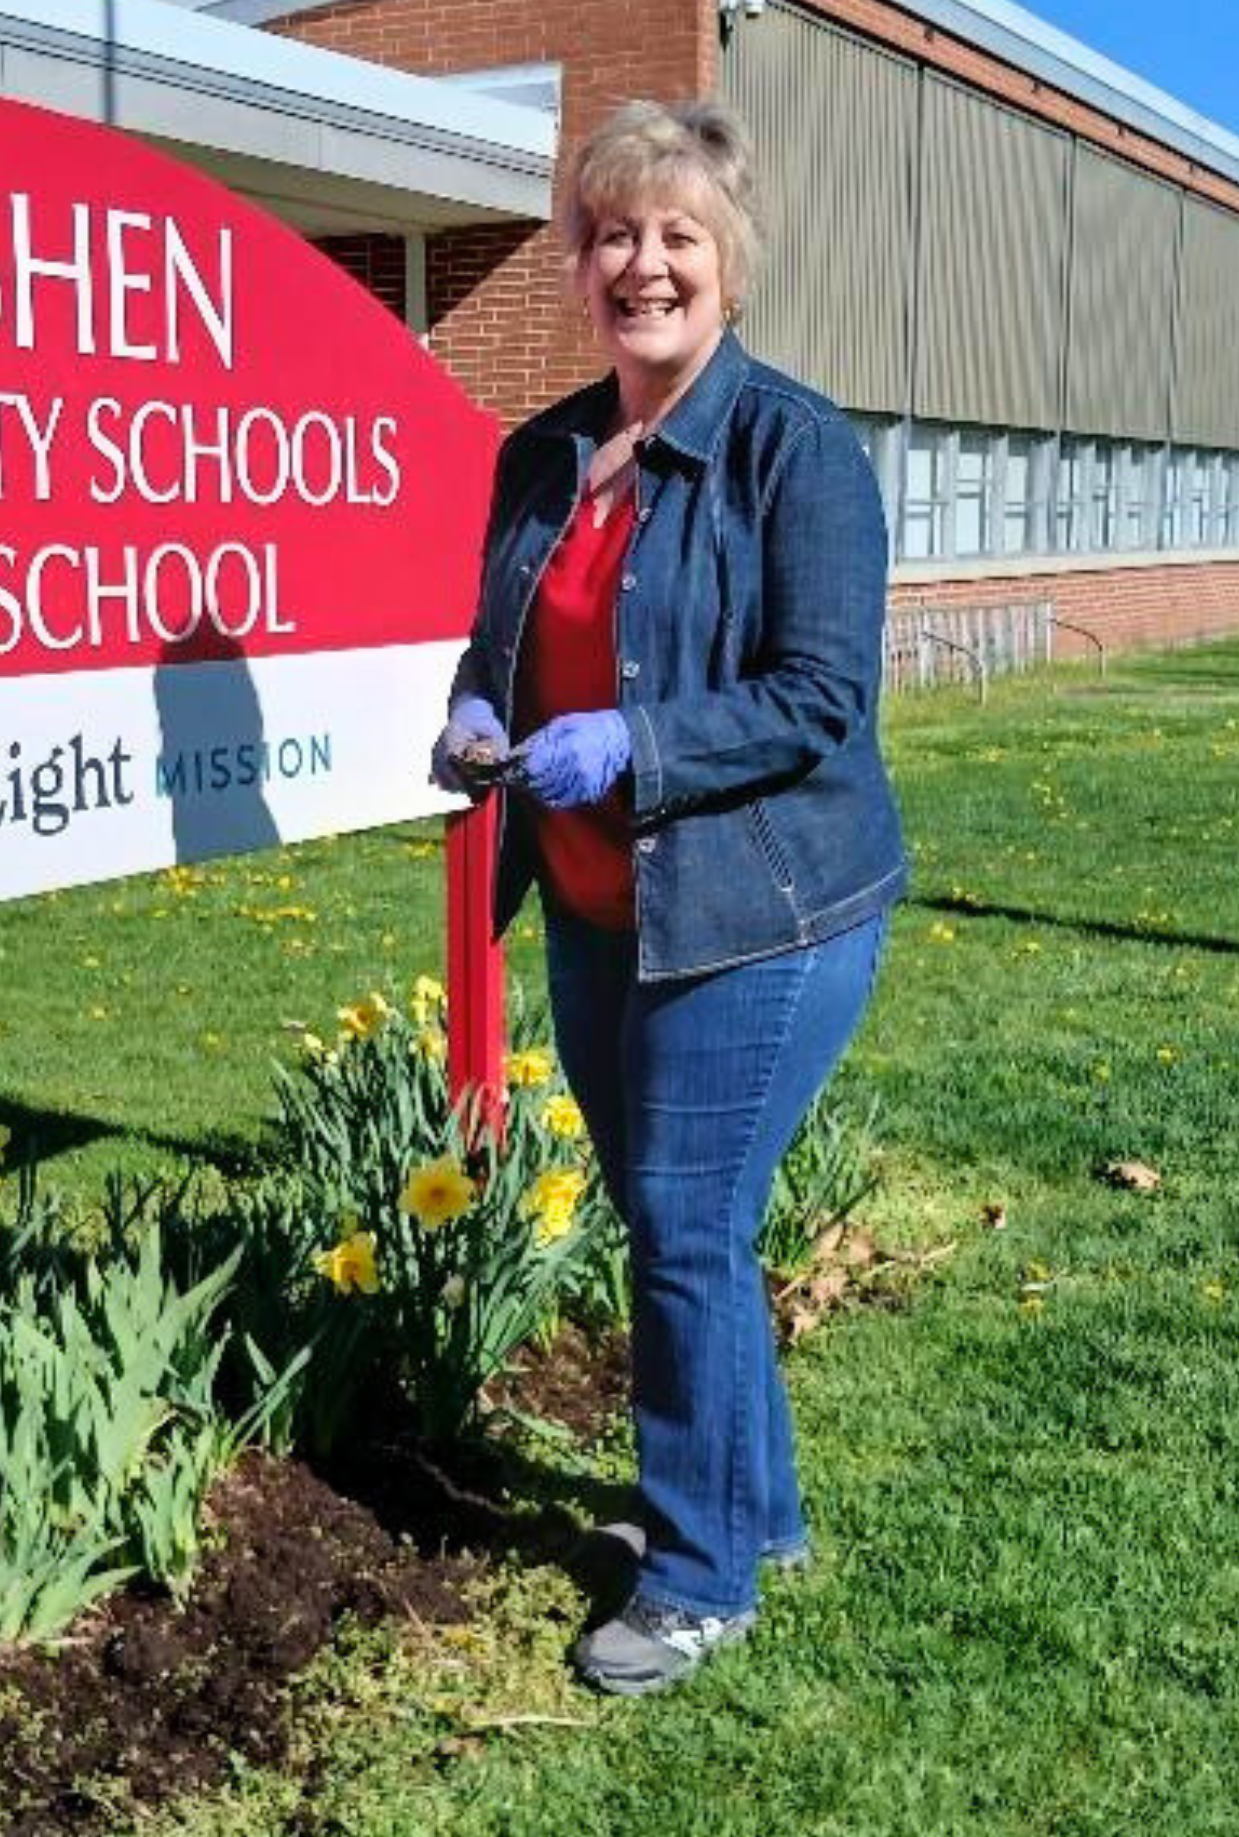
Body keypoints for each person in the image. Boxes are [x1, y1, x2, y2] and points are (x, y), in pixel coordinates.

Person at [431, 97, 907, 1694]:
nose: (645, 264)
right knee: (673, 1219)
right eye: (615, 235)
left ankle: (695, 1575)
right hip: (590, 900)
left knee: (689, 1226)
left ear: (730, 263)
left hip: (761, 910)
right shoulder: (542, 452)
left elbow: (820, 695)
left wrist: (635, 739)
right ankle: (753, 1512)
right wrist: (480, 715)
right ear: (581, 265)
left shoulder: (798, 450)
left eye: (678, 236)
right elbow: (504, 636)